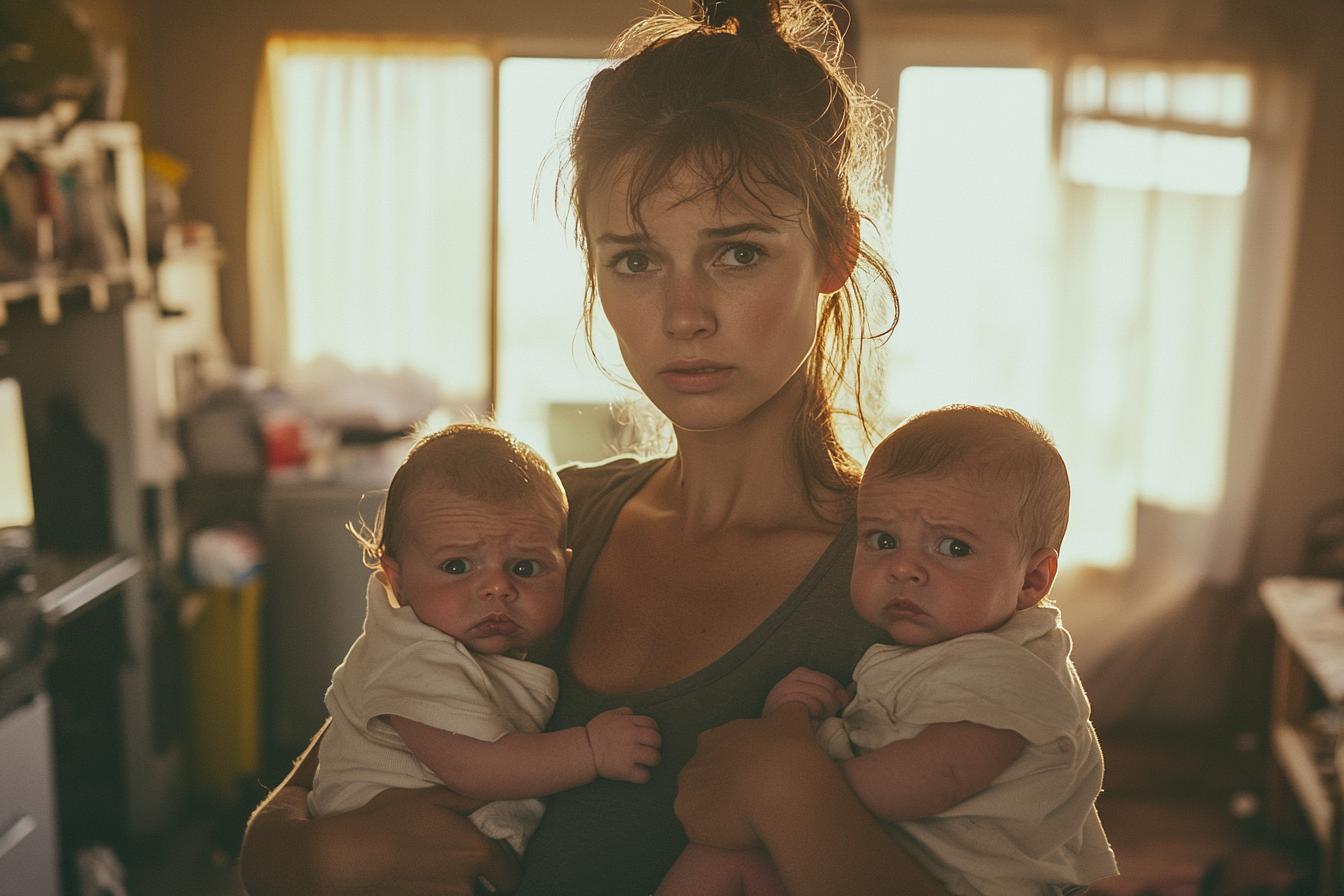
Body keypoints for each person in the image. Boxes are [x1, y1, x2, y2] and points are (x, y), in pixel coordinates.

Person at [239, 0, 974, 892]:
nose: (682, 314)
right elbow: (298, 800)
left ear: (834, 252)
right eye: (634, 260)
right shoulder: (542, 523)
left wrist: (790, 790)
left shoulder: (918, 572)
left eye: (736, 253)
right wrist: (318, 854)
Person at [656, 405, 1119, 896]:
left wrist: (791, 787)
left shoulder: (1015, 669)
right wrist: (799, 722)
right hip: (890, 861)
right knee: (727, 859)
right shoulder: (943, 653)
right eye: (883, 540)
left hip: (968, 885)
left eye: (953, 548)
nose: (905, 568)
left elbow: (941, 774)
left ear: (1032, 580)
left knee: (730, 854)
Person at [306, 423, 661, 864]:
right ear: (395, 579)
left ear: (565, 570)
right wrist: (591, 749)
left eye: (526, 568)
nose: (497, 588)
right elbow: (475, 768)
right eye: (457, 566)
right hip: (381, 862)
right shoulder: (412, 657)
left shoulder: (446, 640)